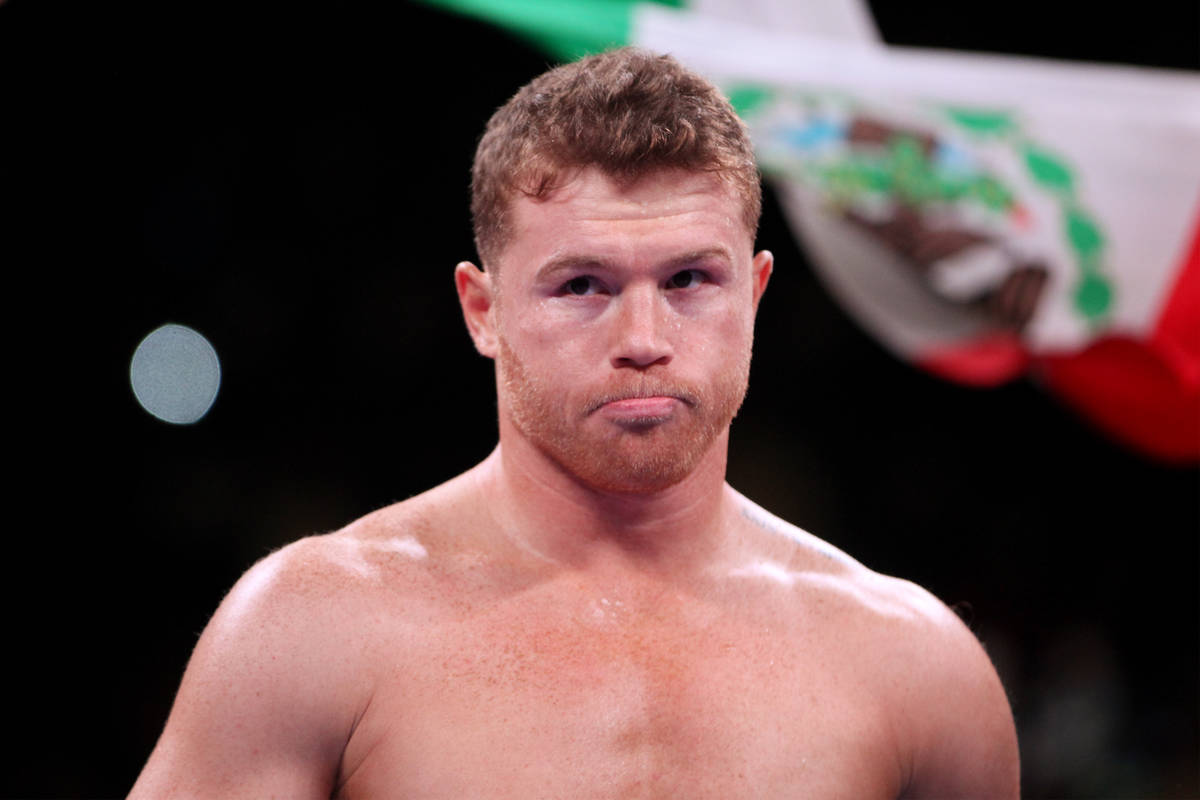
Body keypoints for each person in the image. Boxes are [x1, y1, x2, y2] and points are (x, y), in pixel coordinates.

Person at [130, 47, 1019, 798]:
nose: (643, 340)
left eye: (688, 281)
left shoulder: (915, 670)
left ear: (754, 294)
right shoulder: (312, 630)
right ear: (482, 311)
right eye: (582, 285)